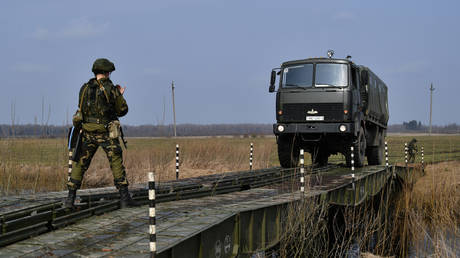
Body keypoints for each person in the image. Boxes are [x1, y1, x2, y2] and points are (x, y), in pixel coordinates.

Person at [65, 58, 139, 208]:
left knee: (79, 163)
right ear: (107, 72)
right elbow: (122, 110)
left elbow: (81, 109)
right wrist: (120, 94)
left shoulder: (84, 88)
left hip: (87, 132)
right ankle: (124, 198)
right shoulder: (110, 88)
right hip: (106, 132)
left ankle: (69, 199)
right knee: (116, 162)